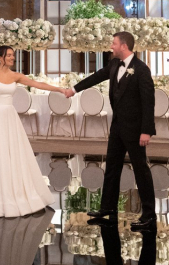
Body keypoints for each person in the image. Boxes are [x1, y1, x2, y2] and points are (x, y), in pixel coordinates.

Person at [0, 45, 71, 218]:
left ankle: (13, 191)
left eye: (13, 55)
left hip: (9, 117)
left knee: (12, 153)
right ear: (0, 57)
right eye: (9, 55)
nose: (12, 58)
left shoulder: (16, 76)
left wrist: (60, 89)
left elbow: (38, 84)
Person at [65, 31, 156, 230]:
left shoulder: (141, 70)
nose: (111, 46)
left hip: (135, 129)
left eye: (114, 43)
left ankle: (149, 214)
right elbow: (96, 77)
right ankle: (107, 207)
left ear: (124, 46)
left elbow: (148, 102)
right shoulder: (115, 64)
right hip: (117, 127)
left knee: (141, 170)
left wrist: (146, 131)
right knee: (112, 167)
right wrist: (74, 89)